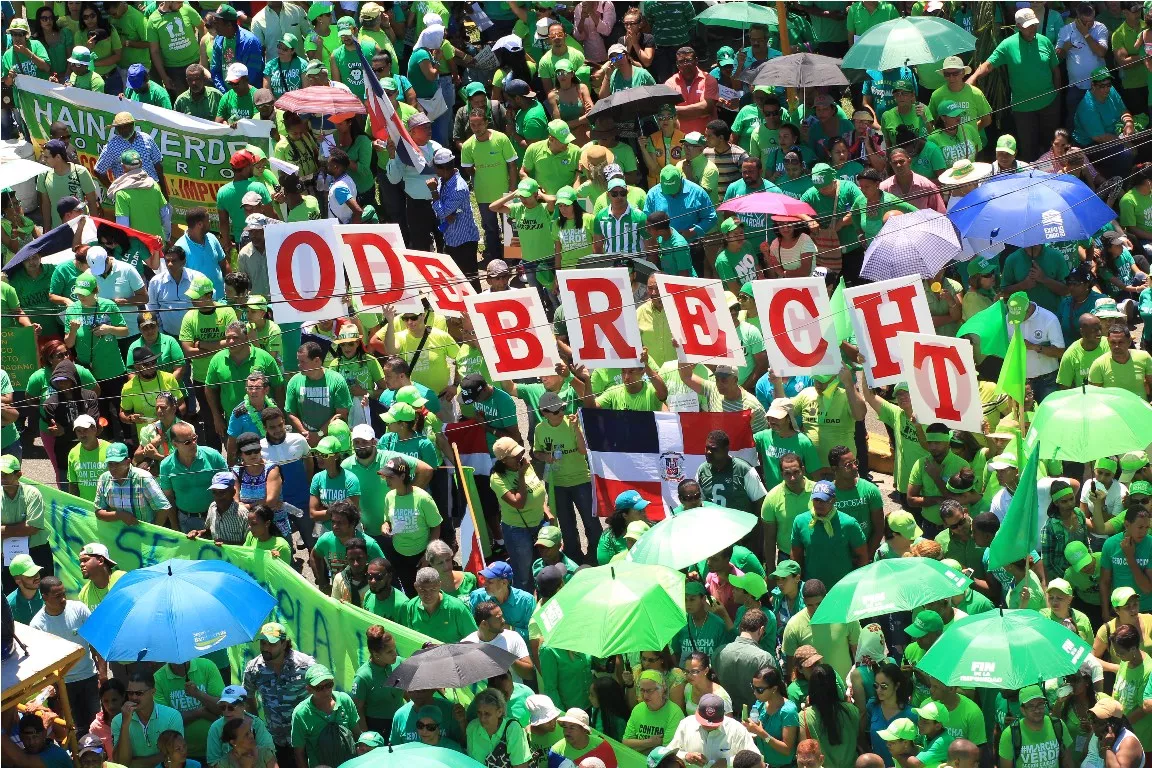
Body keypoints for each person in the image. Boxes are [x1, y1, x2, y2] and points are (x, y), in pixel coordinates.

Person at [967, 8, 1062, 162]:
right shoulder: (1008, 45)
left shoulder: (1045, 41)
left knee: (1050, 144)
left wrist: (1056, 94)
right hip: (1023, 108)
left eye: (1034, 24)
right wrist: (973, 78)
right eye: (1028, 25)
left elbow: (1055, 69)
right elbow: (989, 65)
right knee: (1028, 147)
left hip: (1049, 104)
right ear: (1018, 26)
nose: (1032, 28)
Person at [242, 623, 315, 768]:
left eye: (271, 644)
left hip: (306, 739)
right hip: (275, 742)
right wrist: (258, 726)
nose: (265, 648)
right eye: (263, 643)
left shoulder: (305, 665)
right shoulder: (254, 668)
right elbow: (248, 696)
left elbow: (320, 694)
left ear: (284, 644)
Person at [289, 664, 360, 768]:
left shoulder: (345, 700)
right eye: (319, 688)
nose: (326, 691)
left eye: (329, 685)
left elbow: (357, 733)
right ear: (309, 689)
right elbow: (299, 753)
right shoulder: (301, 714)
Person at [94, 442, 174, 528]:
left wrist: (153, 531)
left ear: (128, 461)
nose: (113, 468)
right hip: (117, 535)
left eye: (117, 463)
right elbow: (98, 511)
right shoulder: (104, 478)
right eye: (110, 464)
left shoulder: (143, 477)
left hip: (143, 536)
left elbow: (163, 507)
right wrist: (119, 515)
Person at [799, 664, 861, 768]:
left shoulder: (804, 716)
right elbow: (859, 738)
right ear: (834, 685)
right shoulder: (852, 710)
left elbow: (804, 749)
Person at [996, 684, 1072, 768]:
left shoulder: (1058, 725)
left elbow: (1068, 762)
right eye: (1031, 706)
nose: (1037, 710)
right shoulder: (1010, 734)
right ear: (1022, 710)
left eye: (1040, 704)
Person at [622, 669, 685, 755]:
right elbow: (625, 743)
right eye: (642, 690)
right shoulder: (638, 709)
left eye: (649, 690)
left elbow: (667, 752)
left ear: (663, 689)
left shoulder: (675, 713)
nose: (645, 695)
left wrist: (638, 745)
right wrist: (649, 742)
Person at [465, 688, 532, 767]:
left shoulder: (513, 729)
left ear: (499, 712)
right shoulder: (472, 728)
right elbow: (470, 764)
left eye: (487, 714)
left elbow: (521, 766)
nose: (482, 718)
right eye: (479, 713)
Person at [5, 554, 43, 623]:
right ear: (18, 581)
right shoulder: (8, 605)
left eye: (37, 572)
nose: (37, 577)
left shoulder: (49, 596)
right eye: (31, 575)